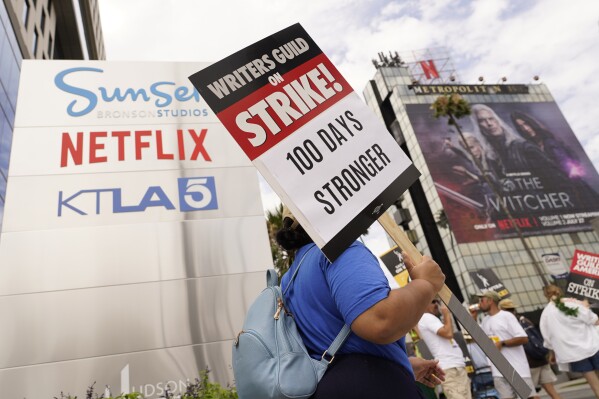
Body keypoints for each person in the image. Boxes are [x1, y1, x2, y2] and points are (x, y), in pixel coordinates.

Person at [276, 206, 446, 398]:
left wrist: (402, 364)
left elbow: (331, 340)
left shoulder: (290, 277)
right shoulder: (340, 248)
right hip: (372, 384)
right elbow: (380, 319)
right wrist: (427, 284)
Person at [540, 284, 599, 398]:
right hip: (592, 345)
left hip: (573, 352)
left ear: (545, 296)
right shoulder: (573, 303)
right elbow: (595, 320)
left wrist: (552, 353)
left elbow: (548, 338)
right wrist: (585, 307)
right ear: (559, 291)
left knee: (593, 382)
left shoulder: (545, 314)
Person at [477, 291, 537, 399]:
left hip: (516, 369)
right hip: (498, 371)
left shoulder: (506, 316)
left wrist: (503, 343)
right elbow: (480, 340)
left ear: (490, 301)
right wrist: (473, 317)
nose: (479, 303)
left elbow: (523, 338)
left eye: (482, 300)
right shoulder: (485, 320)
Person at [499, 298, 561, 399]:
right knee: (552, 391)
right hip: (541, 359)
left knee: (531, 395)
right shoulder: (524, 320)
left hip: (529, 364)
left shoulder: (508, 324)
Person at [417, 299, 472, 399]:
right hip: (449, 367)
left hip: (455, 366)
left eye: (437, 302)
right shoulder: (426, 317)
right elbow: (448, 334)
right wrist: (446, 313)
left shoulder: (431, 318)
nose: (437, 305)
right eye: (433, 302)